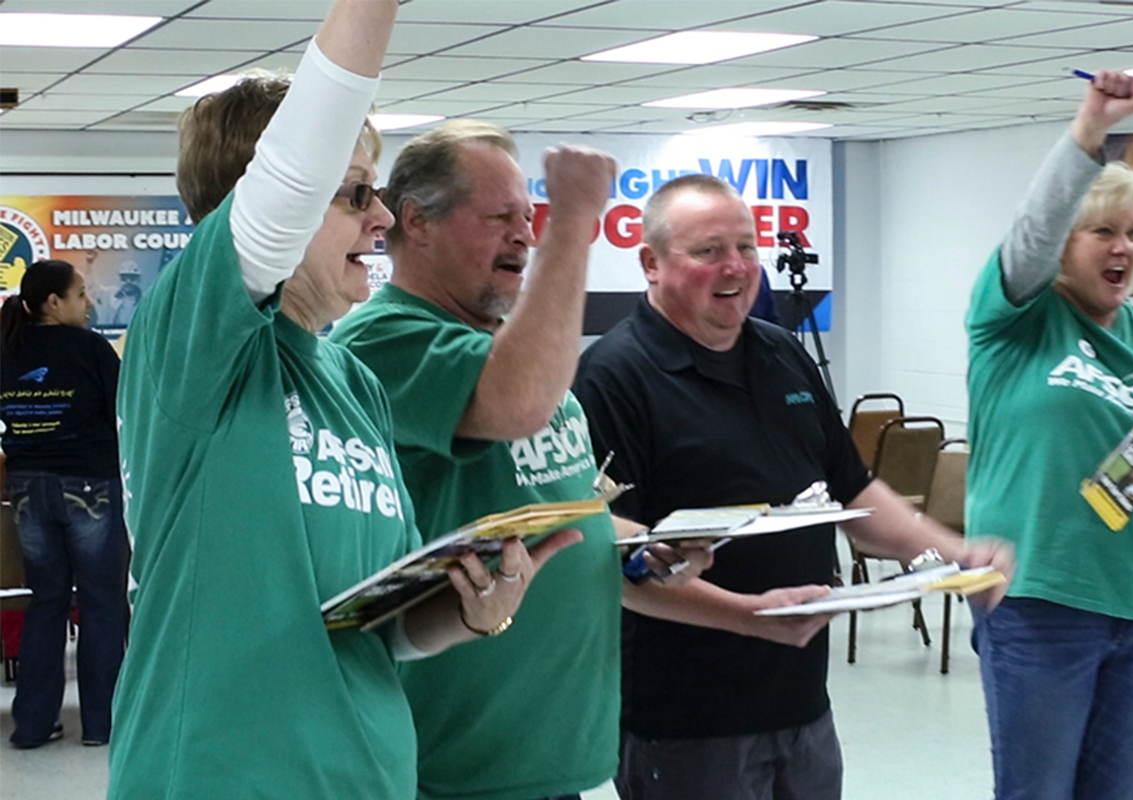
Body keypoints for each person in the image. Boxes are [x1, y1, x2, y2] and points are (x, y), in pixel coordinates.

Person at [109, 3, 567, 797]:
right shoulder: (192, 349)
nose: (384, 217)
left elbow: (376, 627)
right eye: (355, 195)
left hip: (367, 777)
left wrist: (473, 610)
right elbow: (289, 172)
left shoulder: (353, 380)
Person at [572, 173, 1012, 800]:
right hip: (685, 721)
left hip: (801, 703)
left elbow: (851, 493)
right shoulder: (613, 377)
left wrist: (951, 550)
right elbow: (614, 564)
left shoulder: (781, 352)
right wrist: (748, 617)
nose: (737, 267)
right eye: (709, 251)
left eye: (748, 247)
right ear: (650, 263)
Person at [334, 120, 706, 800]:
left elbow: (560, 509)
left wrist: (638, 545)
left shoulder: (517, 348)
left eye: (531, 216)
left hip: (548, 755)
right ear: (416, 222)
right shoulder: (382, 338)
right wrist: (575, 220)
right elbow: (515, 406)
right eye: (501, 217)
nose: (526, 235)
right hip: (454, 768)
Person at [964, 70, 1133, 800]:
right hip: (1039, 599)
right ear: (1064, 243)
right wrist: (1091, 127)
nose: (1123, 247)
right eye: (1103, 230)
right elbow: (1033, 228)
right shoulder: (1015, 319)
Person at [0, 260, 128, 749]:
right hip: (90, 487)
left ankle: (32, 726)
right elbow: (124, 412)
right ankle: (102, 724)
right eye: (80, 294)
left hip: (29, 490)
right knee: (100, 604)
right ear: (53, 303)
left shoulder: (7, 350)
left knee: (45, 604)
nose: (88, 303)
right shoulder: (91, 349)